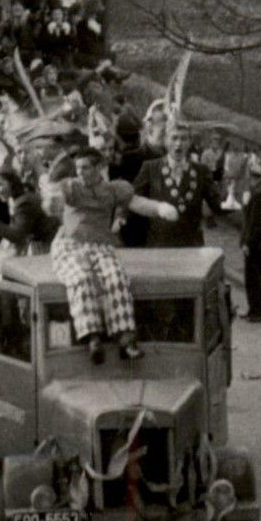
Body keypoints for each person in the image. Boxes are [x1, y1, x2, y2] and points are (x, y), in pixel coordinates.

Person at [42, 147, 179, 364]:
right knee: (81, 278)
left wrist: (160, 208)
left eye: (85, 168)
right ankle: (92, 337)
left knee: (117, 278)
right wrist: (52, 201)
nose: (80, 172)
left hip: (101, 246)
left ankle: (125, 337)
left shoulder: (114, 189)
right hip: (70, 244)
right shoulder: (72, 187)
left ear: (99, 168)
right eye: (78, 168)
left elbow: (138, 203)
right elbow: (56, 200)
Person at [132, 123, 222, 248]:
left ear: (190, 142)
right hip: (159, 244)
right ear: (166, 141)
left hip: (191, 245)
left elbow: (217, 205)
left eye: (183, 138)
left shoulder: (201, 171)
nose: (178, 143)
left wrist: (238, 201)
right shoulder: (151, 168)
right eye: (174, 138)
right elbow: (133, 198)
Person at [239, 154, 261, 322]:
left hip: (255, 244)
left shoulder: (259, 194)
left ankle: (259, 311)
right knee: (253, 277)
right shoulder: (258, 190)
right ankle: (254, 309)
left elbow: (255, 223)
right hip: (258, 243)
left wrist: (247, 243)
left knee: (254, 278)